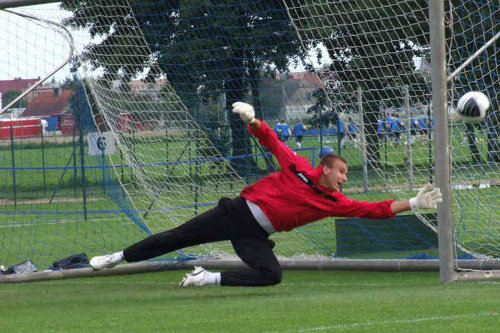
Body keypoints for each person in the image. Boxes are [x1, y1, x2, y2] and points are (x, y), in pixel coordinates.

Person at [89, 102, 442, 287]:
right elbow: (271, 139)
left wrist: (412, 203)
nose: (345, 180)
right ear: (325, 168)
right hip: (237, 212)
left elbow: (375, 209)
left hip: (255, 233)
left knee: (272, 275)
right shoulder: (299, 166)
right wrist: (253, 120)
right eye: (342, 172)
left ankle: (207, 278)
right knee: (177, 237)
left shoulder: (335, 203)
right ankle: (118, 256)